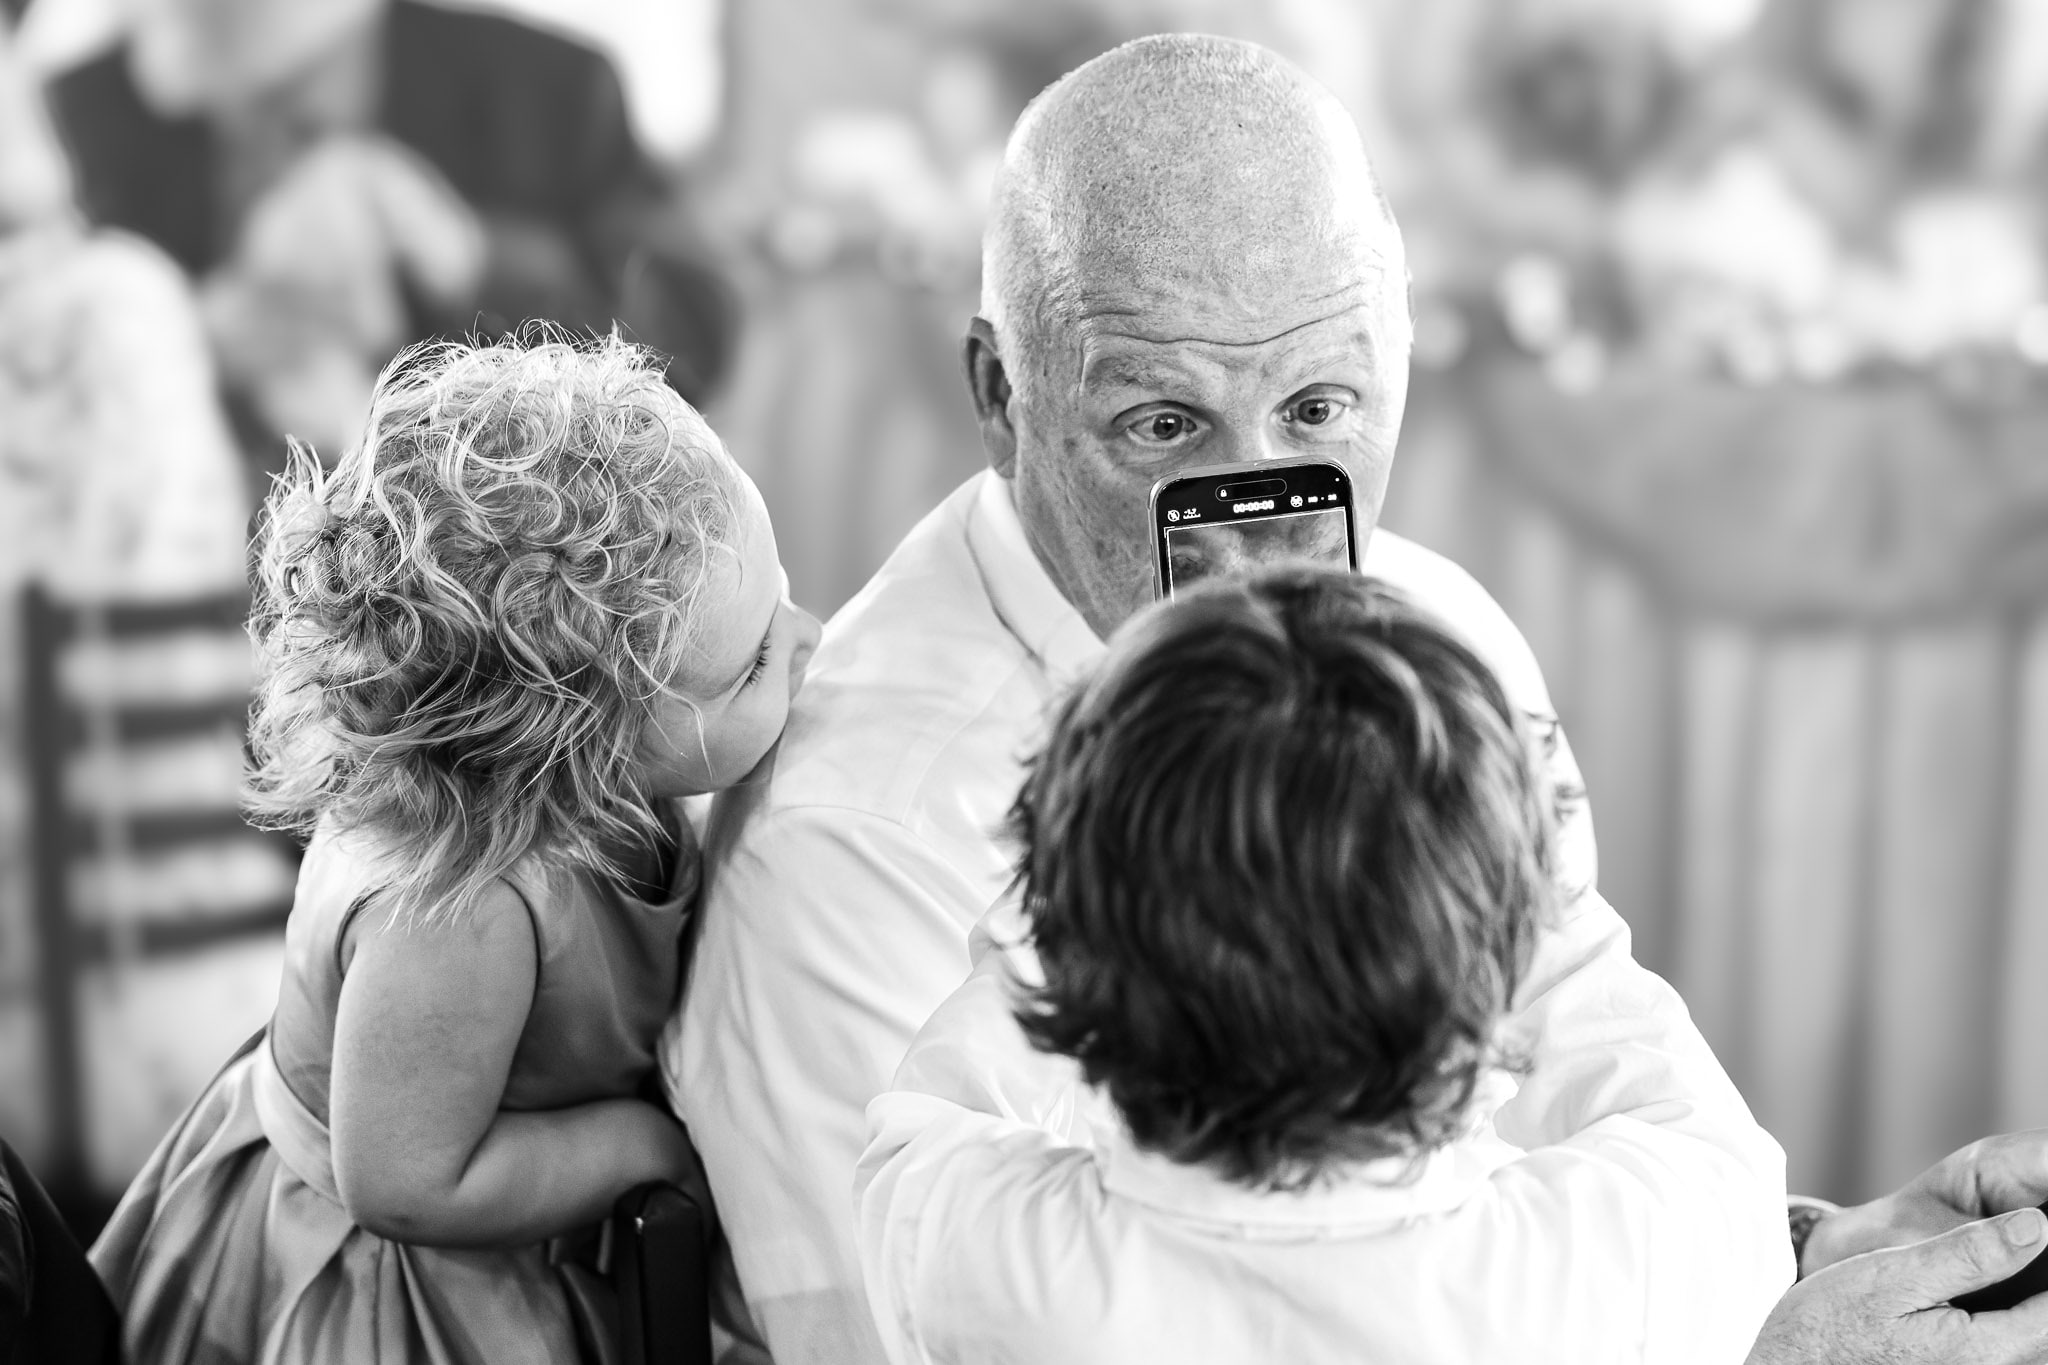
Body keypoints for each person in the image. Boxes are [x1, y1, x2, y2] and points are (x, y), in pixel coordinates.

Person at [663, 33, 1791, 1364]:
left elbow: (1557, 1078)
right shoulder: (856, 839)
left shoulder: (1446, 646)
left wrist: (1814, 1256)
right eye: (1163, 426)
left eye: (1321, 403)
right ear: (999, 398)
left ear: (1405, 343)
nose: (1258, 517)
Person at [89, 334, 821, 1365]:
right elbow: (406, 1181)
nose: (810, 637)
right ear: (578, 747)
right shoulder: (462, 912)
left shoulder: (579, 785)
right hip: (392, 1289)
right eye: (753, 665)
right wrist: (638, 1144)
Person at [856, 566, 1790, 1363]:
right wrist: (1503, 879)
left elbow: (926, 1117)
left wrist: (1073, 882)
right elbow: (1697, 1132)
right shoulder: (1603, 1263)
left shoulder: (989, 1259)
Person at [42, 0, 733, 463]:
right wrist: (181, 343)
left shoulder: (552, 88)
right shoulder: (77, 112)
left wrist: (467, 254)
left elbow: (690, 340)